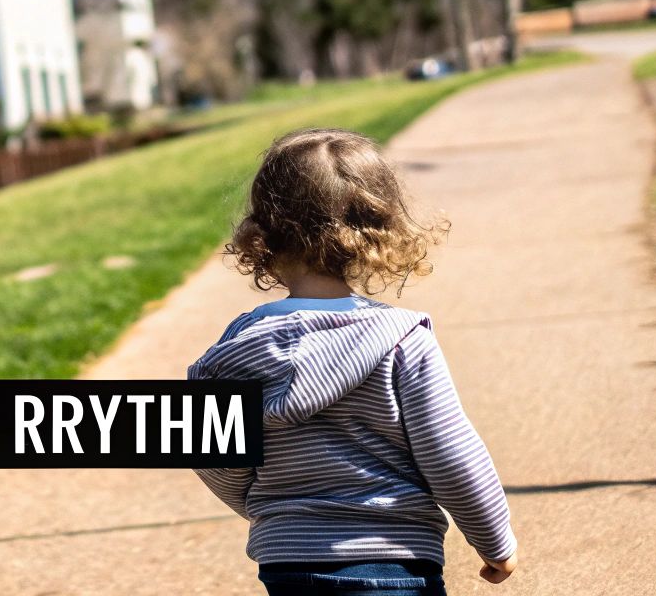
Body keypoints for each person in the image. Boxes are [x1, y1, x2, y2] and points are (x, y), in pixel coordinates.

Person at [187, 128, 518, 595]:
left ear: (264, 233)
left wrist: (268, 509)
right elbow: (449, 452)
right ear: (377, 228)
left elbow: (210, 450)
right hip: (395, 559)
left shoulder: (239, 346)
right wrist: (494, 540)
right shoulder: (400, 339)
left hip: (290, 563)